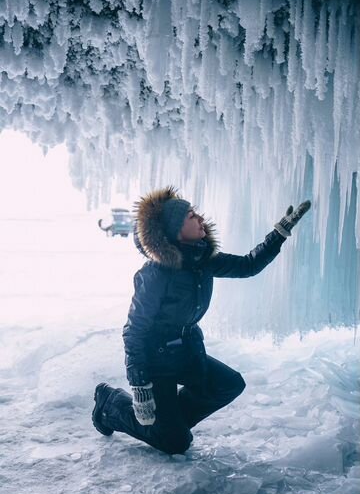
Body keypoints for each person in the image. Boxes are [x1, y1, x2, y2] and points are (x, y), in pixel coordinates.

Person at [92, 186, 311, 455]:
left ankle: (169, 425)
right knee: (176, 443)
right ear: (175, 230)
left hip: (187, 352)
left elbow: (247, 266)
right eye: (191, 216)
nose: (200, 219)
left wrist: (278, 234)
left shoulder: (202, 259)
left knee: (229, 384)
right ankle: (111, 404)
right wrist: (139, 383)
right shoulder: (155, 273)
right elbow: (134, 330)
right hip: (156, 362)